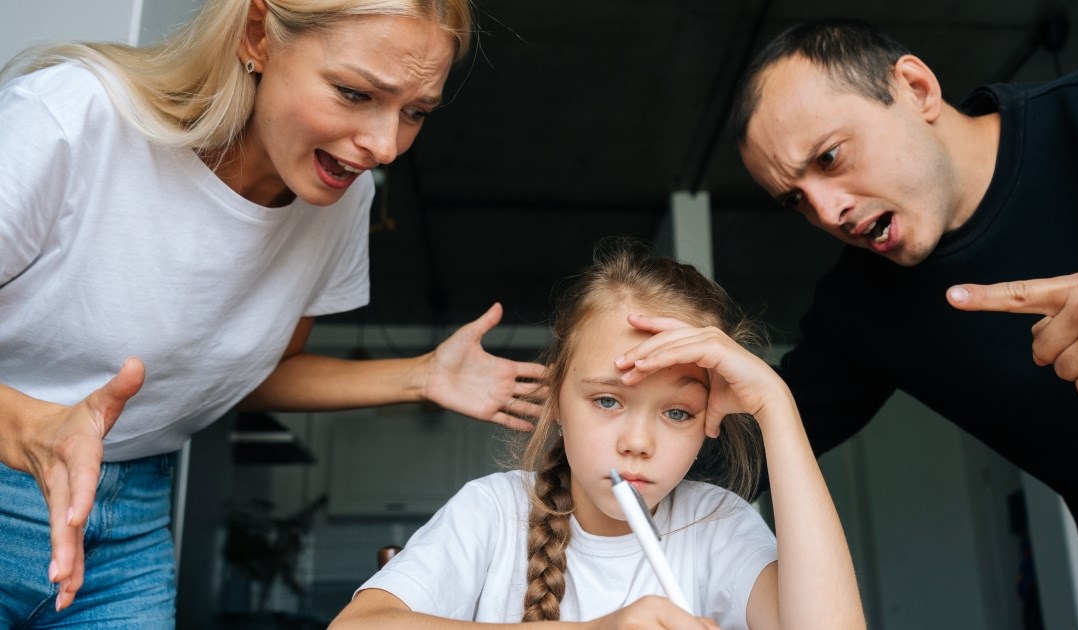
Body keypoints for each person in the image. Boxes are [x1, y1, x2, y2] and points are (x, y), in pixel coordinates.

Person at [0, 0, 545, 625]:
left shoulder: (341, 199)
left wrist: (422, 376)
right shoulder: (75, 115)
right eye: (354, 92)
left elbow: (256, 373)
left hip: (131, 515)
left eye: (416, 112)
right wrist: (28, 428)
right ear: (257, 35)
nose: (386, 145)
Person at [730, 17, 1078, 628]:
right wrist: (581, 412)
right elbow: (743, 448)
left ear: (917, 89)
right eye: (795, 199)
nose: (826, 210)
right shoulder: (864, 306)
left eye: (829, 157)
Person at [328, 241, 865, 629]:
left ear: (710, 420)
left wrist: (776, 407)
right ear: (558, 398)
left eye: (677, 413)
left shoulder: (716, 526)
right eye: (608, 400)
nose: (638, 442)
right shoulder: (494, 513)